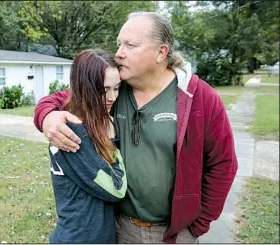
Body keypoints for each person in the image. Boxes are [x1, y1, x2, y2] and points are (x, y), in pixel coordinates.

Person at [34, 12, 238, 244]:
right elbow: (62, 99)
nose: (119, 53)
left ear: (161, 52)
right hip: (120, 228)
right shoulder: (113, 90)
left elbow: (223, 163)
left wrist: (198, 225)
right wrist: (46, 116)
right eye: (119, 43)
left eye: (130, 45)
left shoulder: (199, 97)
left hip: (175, 233)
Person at [47, 48, 127, 243]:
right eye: (103, 90)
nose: (112, 98)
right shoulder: (72, 133)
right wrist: (113, 144)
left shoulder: (94, 124)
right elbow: (116, 188)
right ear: (84, 88)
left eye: (117, 88)